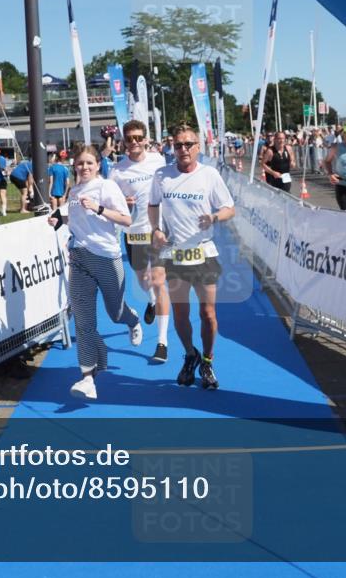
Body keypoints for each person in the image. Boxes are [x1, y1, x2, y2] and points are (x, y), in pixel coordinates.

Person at [48, 145, 143, 401]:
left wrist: (99, 208)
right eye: (80, 164)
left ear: (98, 165)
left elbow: (126, 220)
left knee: (115, 313)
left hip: (107, 258)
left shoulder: (106, 187)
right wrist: (61, 219)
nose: (84, 167)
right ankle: (88, 377)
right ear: (74, 166)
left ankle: (132, 319)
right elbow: (80, 222)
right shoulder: (75, 191)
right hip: (79, 258)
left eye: (89, 163)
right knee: (83, 321)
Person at [148, 124, 235, 390]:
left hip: (204, 253)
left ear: (198, 147)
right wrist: (156, 230)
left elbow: (229, 208)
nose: (183, 150)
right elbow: (153, 206)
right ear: (172, 147)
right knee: (180, 314)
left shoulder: (209, 175)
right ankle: (190, 354)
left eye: (188, 144)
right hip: (175, 254)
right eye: (178, 145)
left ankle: (207, 361)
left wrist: (214, 217)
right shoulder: (162, 175)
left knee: (208, 313)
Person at [109, 120, 170, 362]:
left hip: (157, 229)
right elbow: (111, 202)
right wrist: (125, 202)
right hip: (133, 233)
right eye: (129, 138)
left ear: (145, 139)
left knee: (158, 280)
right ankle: (152, 302)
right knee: (142, 280)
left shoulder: (159, 161)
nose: (134, 142)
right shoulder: (117, 171)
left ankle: (162, 343)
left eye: (138, 137)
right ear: (123, 141)